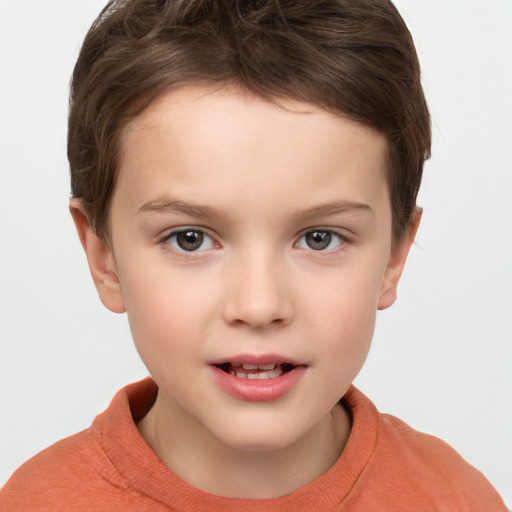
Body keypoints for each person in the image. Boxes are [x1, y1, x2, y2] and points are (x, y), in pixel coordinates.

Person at [1, 0, 507, 510]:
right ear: (102, 256)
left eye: (319, 238)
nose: (260, 305)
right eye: (190, 239)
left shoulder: (457, 501)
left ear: (395, 256)